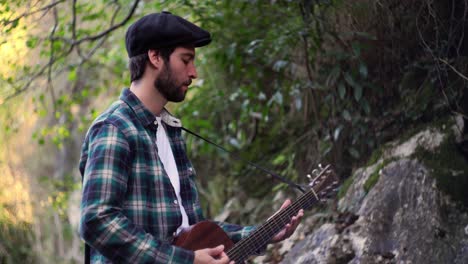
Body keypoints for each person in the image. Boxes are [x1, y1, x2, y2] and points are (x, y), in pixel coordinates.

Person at [79, 11, 304, 264]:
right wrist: (185, 259)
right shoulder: (115, 128)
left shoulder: (170, 131)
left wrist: (262, 233)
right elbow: (96, 221)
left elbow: (190, 232)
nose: (194, 72)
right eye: (186, 60)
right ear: (155, 57)